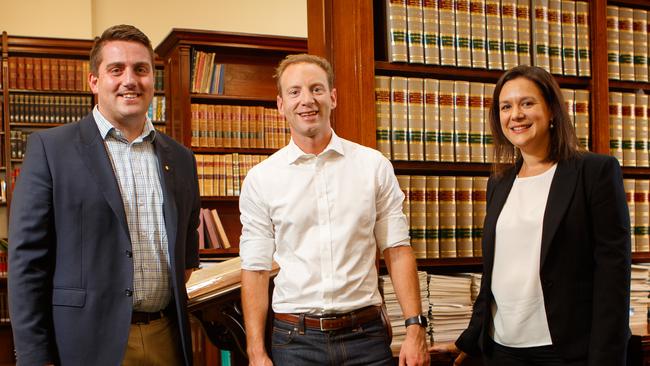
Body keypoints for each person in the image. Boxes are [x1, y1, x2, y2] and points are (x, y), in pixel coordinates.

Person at [8, 24, 200, 366]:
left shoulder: (181, 159)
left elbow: (186, 253)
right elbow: (27, 264)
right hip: (84, 343)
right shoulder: (51, 149)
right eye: (116, 69)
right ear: (94, 81)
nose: (130, 80)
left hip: (166, 338)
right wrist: (34, 355)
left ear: (151, 80)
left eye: (141, 69)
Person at [431, 65, 631, 365]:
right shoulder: (499, 183)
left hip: (565, 351)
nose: (516, 115)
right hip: (502, 349)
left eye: (527, 103)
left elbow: (613, 277)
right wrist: (470, 339)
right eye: (506, 106)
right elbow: (495, 274)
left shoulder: (594, 172)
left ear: (551, 110)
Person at [239, 53, 430, 366]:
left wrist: (414, 328)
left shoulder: (373, 167)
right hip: (294, 341)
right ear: (280, 104)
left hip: (365, 337)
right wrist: (256, 352)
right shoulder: (262, 179)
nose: (307, 100)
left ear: (333, 97)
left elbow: (396, 249)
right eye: (294, 92)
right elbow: (256, 270)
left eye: (316, 89)